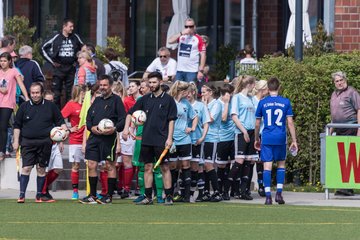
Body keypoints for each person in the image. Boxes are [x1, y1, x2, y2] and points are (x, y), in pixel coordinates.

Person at [122, 71, 177, 205]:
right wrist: (126, 128)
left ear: (160, 82)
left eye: (154, 82)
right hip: (146, 139)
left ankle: (168, 196)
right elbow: (130, 113)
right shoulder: (145, 99)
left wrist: (169, 138)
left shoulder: (168, 100)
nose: (151, 85)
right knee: (147, 167)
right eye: (150, 82)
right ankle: (147, 196)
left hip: (161, 139)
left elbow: (171, 120)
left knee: (164, 167)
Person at [13, 82, 69, 203]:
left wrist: (65, 132)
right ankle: (22, 195)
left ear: (42, 93)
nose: (35, 95)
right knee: (26, 168)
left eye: (37, 93)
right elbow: (17, 126)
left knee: (41, 169)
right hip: (27, 143)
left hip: (45, 143)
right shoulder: (24, 106)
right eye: (32, 93)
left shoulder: (51, 106)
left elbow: (60, 121)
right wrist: (16, 141)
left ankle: (39, 196)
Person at [79, 75, 126, 204]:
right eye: (101, 85)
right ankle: (92, 196)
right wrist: (91, 127)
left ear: (110, 86)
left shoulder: (116, 100)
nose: (102, 87)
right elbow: (88, 119)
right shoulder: (97, 101)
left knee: (109, 166)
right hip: (94, 138)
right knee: (92, 164)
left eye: (105, 85)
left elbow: (123, 119)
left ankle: (109, 196)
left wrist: (115, 128)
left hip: (109, 139)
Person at [254, 77, 298, 205]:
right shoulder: (285, 102)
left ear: (268, 88)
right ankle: (279, 194)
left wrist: (257, 138)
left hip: (267, 137)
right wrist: (294, 140)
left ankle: (268, 196)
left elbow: (257, 124)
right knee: (281, 165)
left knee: (267, 166)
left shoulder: (262, 102)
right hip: (280, 137)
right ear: (279, 87)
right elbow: (290, 122)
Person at [41, 18, 83, 108]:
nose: (72, 28)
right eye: (70, 26)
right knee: (56, 93)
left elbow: (83, 48)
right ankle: (57, 114)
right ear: (64, 27)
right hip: (58, 68)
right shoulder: (56, 36)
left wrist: (79, 60)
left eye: (73, 26)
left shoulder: (75, 37)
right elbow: (42, 48)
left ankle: (69, 113)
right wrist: (52, 61)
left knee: (70, 92)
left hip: (71, 68)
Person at [330, 71, 360, 196]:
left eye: (341, 80)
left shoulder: (352, 92)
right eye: (337, 81)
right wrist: (329, 131)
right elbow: (334, 114)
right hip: (338, 128)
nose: (339, 83)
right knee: (341, 158)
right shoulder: (334, 94)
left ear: (345, 79)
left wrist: (359, 128)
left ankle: (348, 187)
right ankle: (343, 186)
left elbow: (359, 110)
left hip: (351, 127)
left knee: (350, 158)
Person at [168, 81, 198, 202]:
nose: (189, 94)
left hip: (185, 139)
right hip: (173, 139)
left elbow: (195, 116)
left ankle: (186, 195)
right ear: (182, 91)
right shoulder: (170, 102)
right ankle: (171, 193)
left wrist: (192, 128)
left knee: (186, 166)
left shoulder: (186, 103)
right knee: (173, 166)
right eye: (187, 91)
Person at [230, 75, 258, 200]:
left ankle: (244, 190)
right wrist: (244, 131)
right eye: (253, 84)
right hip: (242, 132)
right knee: (239, 161)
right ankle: (226, 188)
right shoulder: (237, 98)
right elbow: (234, 116)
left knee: (249, 161)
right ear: (249, 84)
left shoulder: (251, 99)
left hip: (252, 132)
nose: (254, 86)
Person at [0, 52, 29, 161]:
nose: (2, 63)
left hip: (7, 103)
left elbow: (21, 84)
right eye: (1, 61)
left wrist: (26, 97)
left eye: (4, 61)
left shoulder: (14, 71)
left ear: (9, 61)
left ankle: (2, 150)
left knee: (3, 126)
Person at [61, 85, 86, 200]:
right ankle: (75, 191)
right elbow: (60, 118)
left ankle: (92, 191)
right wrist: (68, 129)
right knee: (75, 165)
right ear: (78, 93)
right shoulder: (71, 104)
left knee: (91, 165)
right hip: (75, 139)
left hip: (88, 139)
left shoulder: (88, 104)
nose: (85, 94)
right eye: (83, 92)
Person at [198, 83, 222, 202]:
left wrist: (204, 106)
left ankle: (217, 191)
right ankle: (206, 191)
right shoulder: (204, 105)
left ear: (211, 92)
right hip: (204, 137)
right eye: (201, 92)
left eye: (204, 92)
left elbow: (210, 119)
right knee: (203, 165)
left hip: (212, 138)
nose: (202, 95)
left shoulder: (216, 104)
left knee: (209, 164)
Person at [186, 82, 210, 200]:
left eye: (189, 92)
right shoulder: (182, 104)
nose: (187, 95)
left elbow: (206, 123)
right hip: (184, 140)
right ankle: (183, 192)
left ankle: (194, 193)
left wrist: (202, 137)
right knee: (184, 167)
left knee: (196, 167)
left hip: (196, 140)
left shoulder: (200, 106)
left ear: (193, 92)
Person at [41, 91, 65, 201]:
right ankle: (44, 192)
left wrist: (61, 141)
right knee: (45, 170)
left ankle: (43, 189)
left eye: (52, 100)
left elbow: (60, 127)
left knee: (59, 168)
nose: (50, 102)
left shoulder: (55, 111)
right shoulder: (40, 111)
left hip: (55, 144)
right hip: (45, 144)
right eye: (48, 100)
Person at [168, 18, 206, 83]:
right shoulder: (181, 36)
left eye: (190, 26)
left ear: (194, 27)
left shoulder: (198, 38)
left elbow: (203, 55)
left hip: (192, 71)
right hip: (180, 70)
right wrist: (181, 33)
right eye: (186, 26)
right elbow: (170, 41)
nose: (188, 28)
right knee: (178, 91)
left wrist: (201, 71)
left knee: (190, 91)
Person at [216, 84, 235, 200]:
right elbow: (223, 119)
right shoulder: (219, 104)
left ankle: (227, 190)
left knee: (232, 164)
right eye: (229, 94)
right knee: (221, 165)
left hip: (233, 138)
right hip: (222, 138)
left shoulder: (232, 101)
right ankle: (220, 189)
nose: (231, 96)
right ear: (224, 94)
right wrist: (227, 103)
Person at [252, 80, 269, 197]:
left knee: (262, 160)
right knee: (251, 161)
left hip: (263, 133)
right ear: (263, 89)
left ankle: (262, 185)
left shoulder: (266, 101)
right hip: (253, 133)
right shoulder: (252, 101)